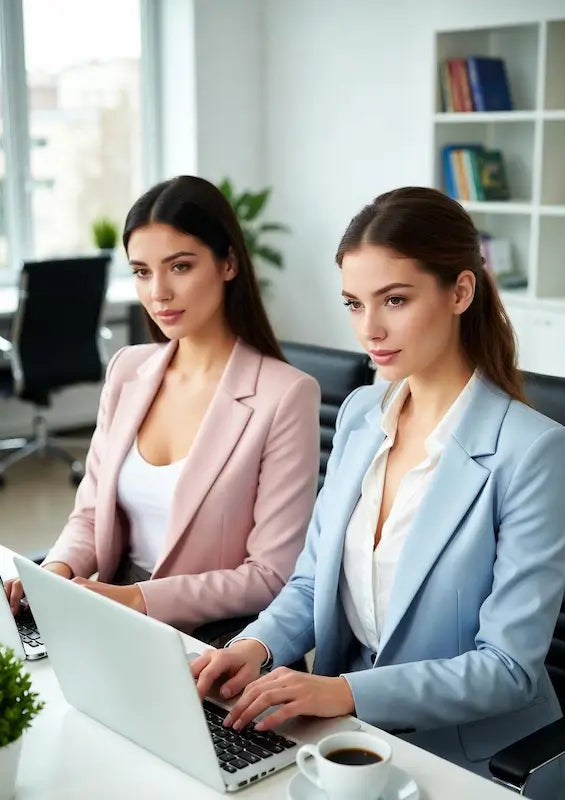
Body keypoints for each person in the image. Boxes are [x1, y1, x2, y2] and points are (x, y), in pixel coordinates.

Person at [191, 186, 565, 797]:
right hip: (349, 740)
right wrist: (254, 646)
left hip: (474, 761)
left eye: (394, 299)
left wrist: (341, 692)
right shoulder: (363, 412)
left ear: (460, 293)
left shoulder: (532, 452)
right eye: (354, 304)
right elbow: (314, 580)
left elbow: (508, 668)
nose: (371, 329)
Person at [5, 175, 320, 636]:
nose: (158, 293)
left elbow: (270, 576)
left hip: (210, 636)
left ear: (228, 263)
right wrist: (54, 575)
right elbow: (92, 514)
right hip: (108, 611)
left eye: (180, 267)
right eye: (141, 272)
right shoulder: (128, 370)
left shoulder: (286, 394)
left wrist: (137, 600)